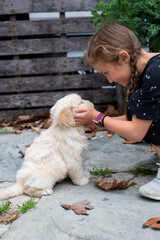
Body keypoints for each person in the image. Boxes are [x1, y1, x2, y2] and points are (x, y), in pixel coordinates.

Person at [74, 23, 160, 200]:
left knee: (146, 120)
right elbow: (135, 118)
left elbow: (136, 132)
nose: (110, 80)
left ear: (123, 57)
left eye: (107, 73)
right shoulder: (150, 69)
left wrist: (98, 117)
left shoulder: (156, 74)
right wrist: (98, 120)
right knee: (143, 113)